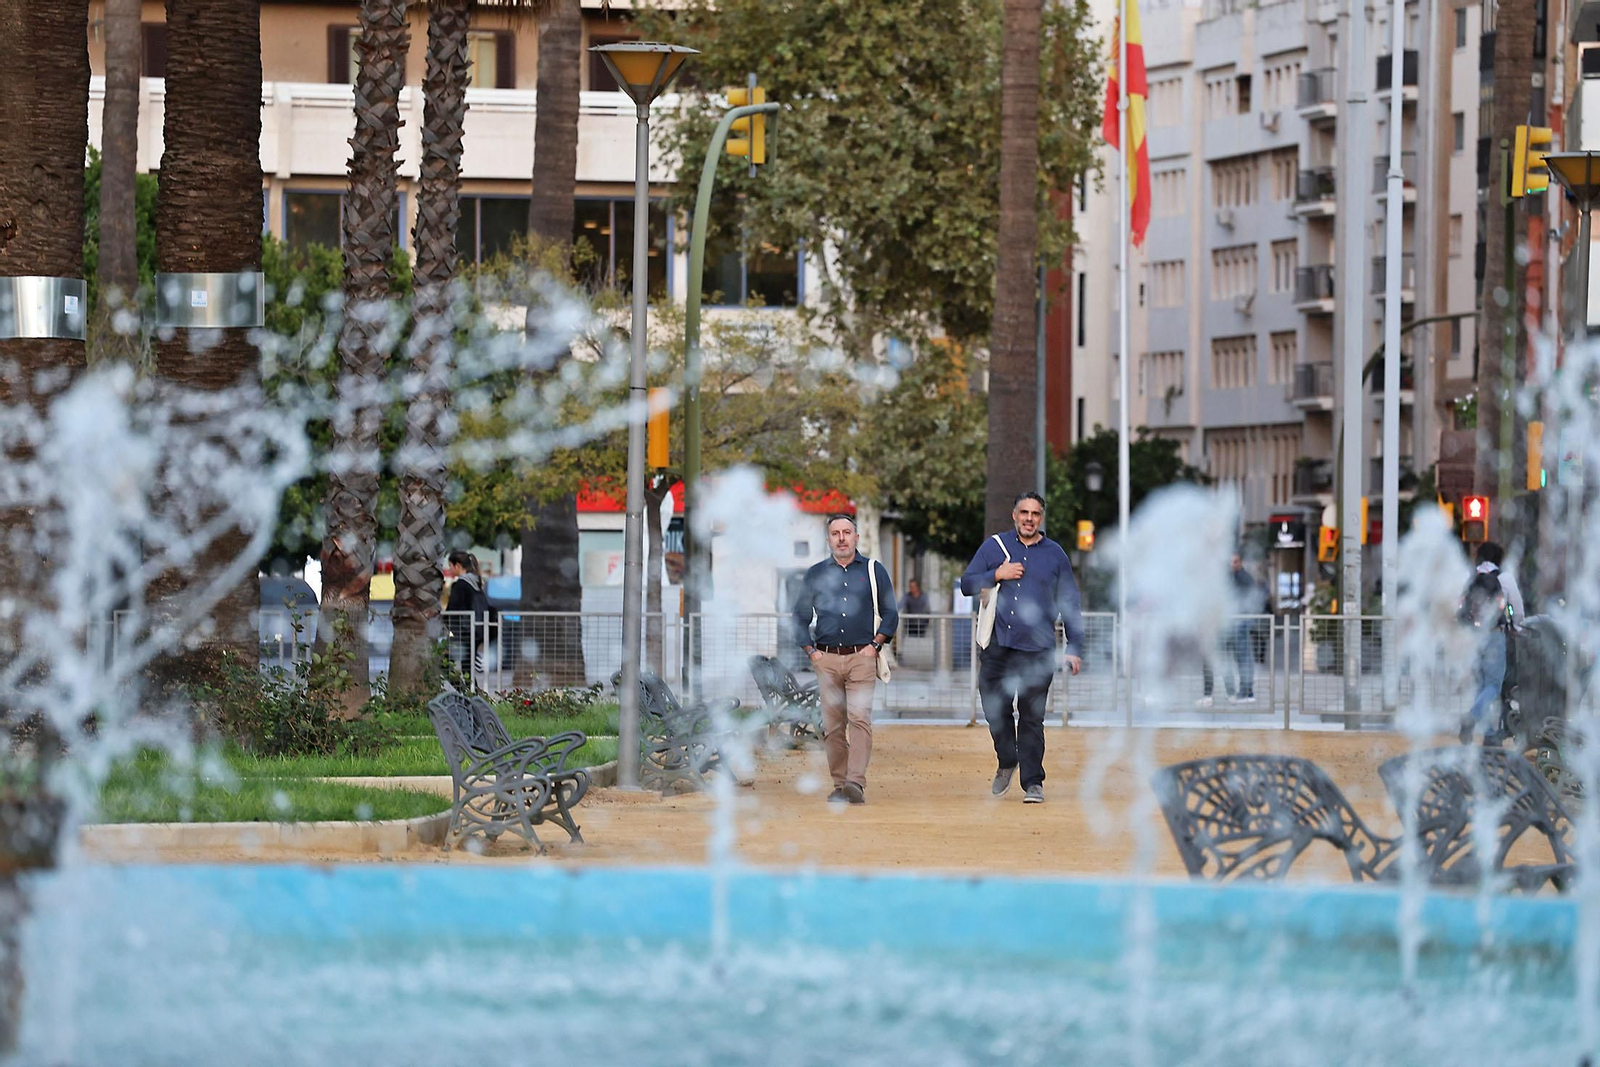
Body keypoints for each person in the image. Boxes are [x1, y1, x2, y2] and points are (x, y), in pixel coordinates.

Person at [960, 492, 1084, 804]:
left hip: (1038, 649)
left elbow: (1070, 602)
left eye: (1035, 513)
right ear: (1014, 516)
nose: (1029, 518)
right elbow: (966, 584)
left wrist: (1075, 646)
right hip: (999, 646)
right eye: (1024, 512)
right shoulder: (993, 547)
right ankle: (1007, 759)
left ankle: (1033, 783)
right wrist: (996, 574)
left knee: (1031, 717)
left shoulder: (1055, 554)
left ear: (1042, 518)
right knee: (994, 707)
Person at [792, 514, 898, 805]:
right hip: (826, 658)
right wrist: (811, 652)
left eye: (847, 532)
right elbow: (800, 617)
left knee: (860, 719)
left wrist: (875, 646)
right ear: (828, 540)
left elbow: (891, 614)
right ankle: (840, 784)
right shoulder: (815, 574)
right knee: (833, 726)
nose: (841, 537)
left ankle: (855, 783)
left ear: (856, 537)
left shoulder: (874, 571)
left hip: (861, 658)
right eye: (835, 533)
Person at [1459, 570, 1511, 744]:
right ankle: (1472, 718)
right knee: (1493, 686)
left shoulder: (1473, 584)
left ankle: (1489, 735)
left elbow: (1462, 612)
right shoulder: (1497, 586)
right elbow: (1504, 609)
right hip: (1494, 636)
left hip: (1475, 637)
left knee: (1481, 686)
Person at [444, 549, 495, 683]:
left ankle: (466, 694)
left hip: (462, 633)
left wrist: (443, 623)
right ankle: (472, 696)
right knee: (467, 669)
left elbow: (453, 611)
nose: (449, 570)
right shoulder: (477, 584)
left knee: (443, 664)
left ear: (458, 566)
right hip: (475, 632)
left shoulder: (460, 585)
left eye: (450, 566)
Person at [1224, 553, 1264, 704]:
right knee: (1240, 657)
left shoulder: (1244, 578)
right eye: (1230, 561)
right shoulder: (1235, 577)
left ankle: (1247, 691)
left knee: (1244, 657)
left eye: (1235, 561)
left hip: (1242, 622)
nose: (1232, 564)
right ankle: (1245, 691)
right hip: (1237, 622)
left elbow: (1245, 599)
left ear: (1240, 562)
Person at [1475, 542, 1525, 629]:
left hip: (1473, 630)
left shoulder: (1474, 578)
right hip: (1498, 628)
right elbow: (1512, 606)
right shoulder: (1504, 579)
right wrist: (1512, 619)